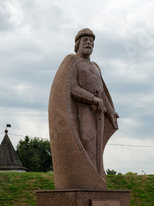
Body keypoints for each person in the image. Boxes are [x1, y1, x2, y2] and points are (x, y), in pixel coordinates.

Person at [48, 28, 119, 189]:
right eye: (85, 40)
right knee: (87, 140)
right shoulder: (73, 61)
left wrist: (110, 110)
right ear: (78, 44)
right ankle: (87, 180)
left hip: (98, 113)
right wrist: (92, 99)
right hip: (83, 110)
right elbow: (71, 87)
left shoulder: (95, 66)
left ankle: (96, 179)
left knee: (96, 147)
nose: (89, 43)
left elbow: (102, 92)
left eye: (92, 41)